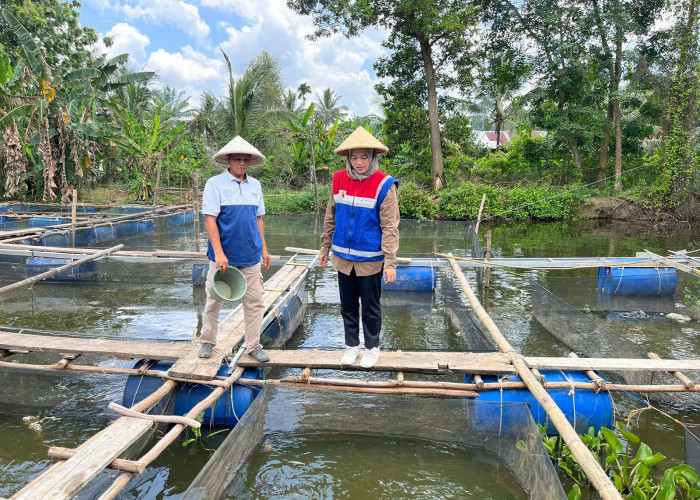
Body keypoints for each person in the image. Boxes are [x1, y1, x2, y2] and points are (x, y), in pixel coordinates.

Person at [319, 126, 400, 369]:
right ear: (348, 159)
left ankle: (372, 347)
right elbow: (330, 217)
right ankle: (351, 346)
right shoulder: (339, 179)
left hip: (371, 260)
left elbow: (390, 227)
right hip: (343, 258)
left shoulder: (384, 185)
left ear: (373, 156)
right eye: (354, 157)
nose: (359, 162)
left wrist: (391, 262)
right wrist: (325, 248)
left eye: (364, 156)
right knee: (348, 305)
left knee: (371, 307)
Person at [198, 136, 271, 362]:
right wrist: (218, 253)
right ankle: (207, 342)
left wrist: (264, 250)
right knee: (213, 300)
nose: (242, 164)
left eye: (245, 160)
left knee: (255, 301)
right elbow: (210, 220)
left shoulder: (255, 186)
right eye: (237, 159)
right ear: (228, 160)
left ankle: (253, 345)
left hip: (250, 254)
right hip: (223, 257)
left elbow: (258, 219)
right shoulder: (215, 184)